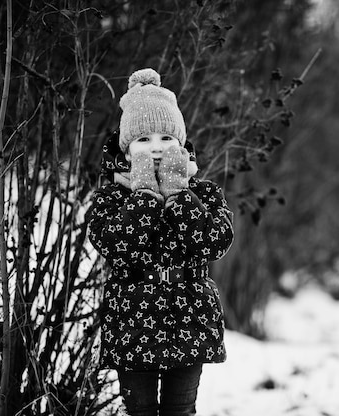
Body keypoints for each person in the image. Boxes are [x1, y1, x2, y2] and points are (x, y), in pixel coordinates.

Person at [87, 68, 234, 416]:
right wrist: (144, 195)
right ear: (127, 147)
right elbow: (113, 244)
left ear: (181, 143)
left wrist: (177, 194)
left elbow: (215, 242)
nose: (156, 147)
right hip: (132, 318)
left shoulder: (204, 193)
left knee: (180, 411)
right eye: (144, 139)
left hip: (189, 315)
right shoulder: (112, 197)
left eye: (166, 138)